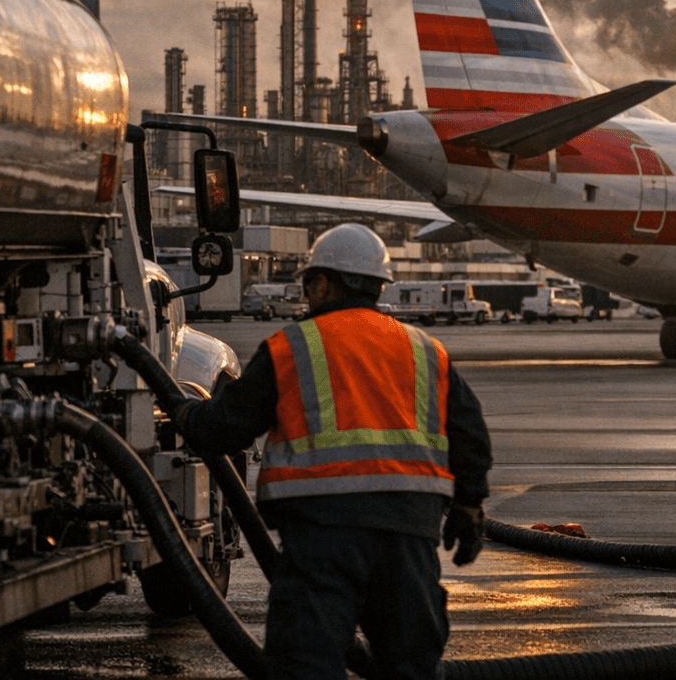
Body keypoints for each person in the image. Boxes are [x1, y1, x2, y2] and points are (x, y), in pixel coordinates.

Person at [172, 223, 493, 680]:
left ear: (322, 283)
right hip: (408, 532)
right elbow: (470, 434)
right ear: (379, 285)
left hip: (323, 535)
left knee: (307, 664)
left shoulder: (292, 347)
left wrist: (185, 414)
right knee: (411, 665)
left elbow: (227, 426)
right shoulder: (425, 349)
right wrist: (469, 505)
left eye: (308, 284)